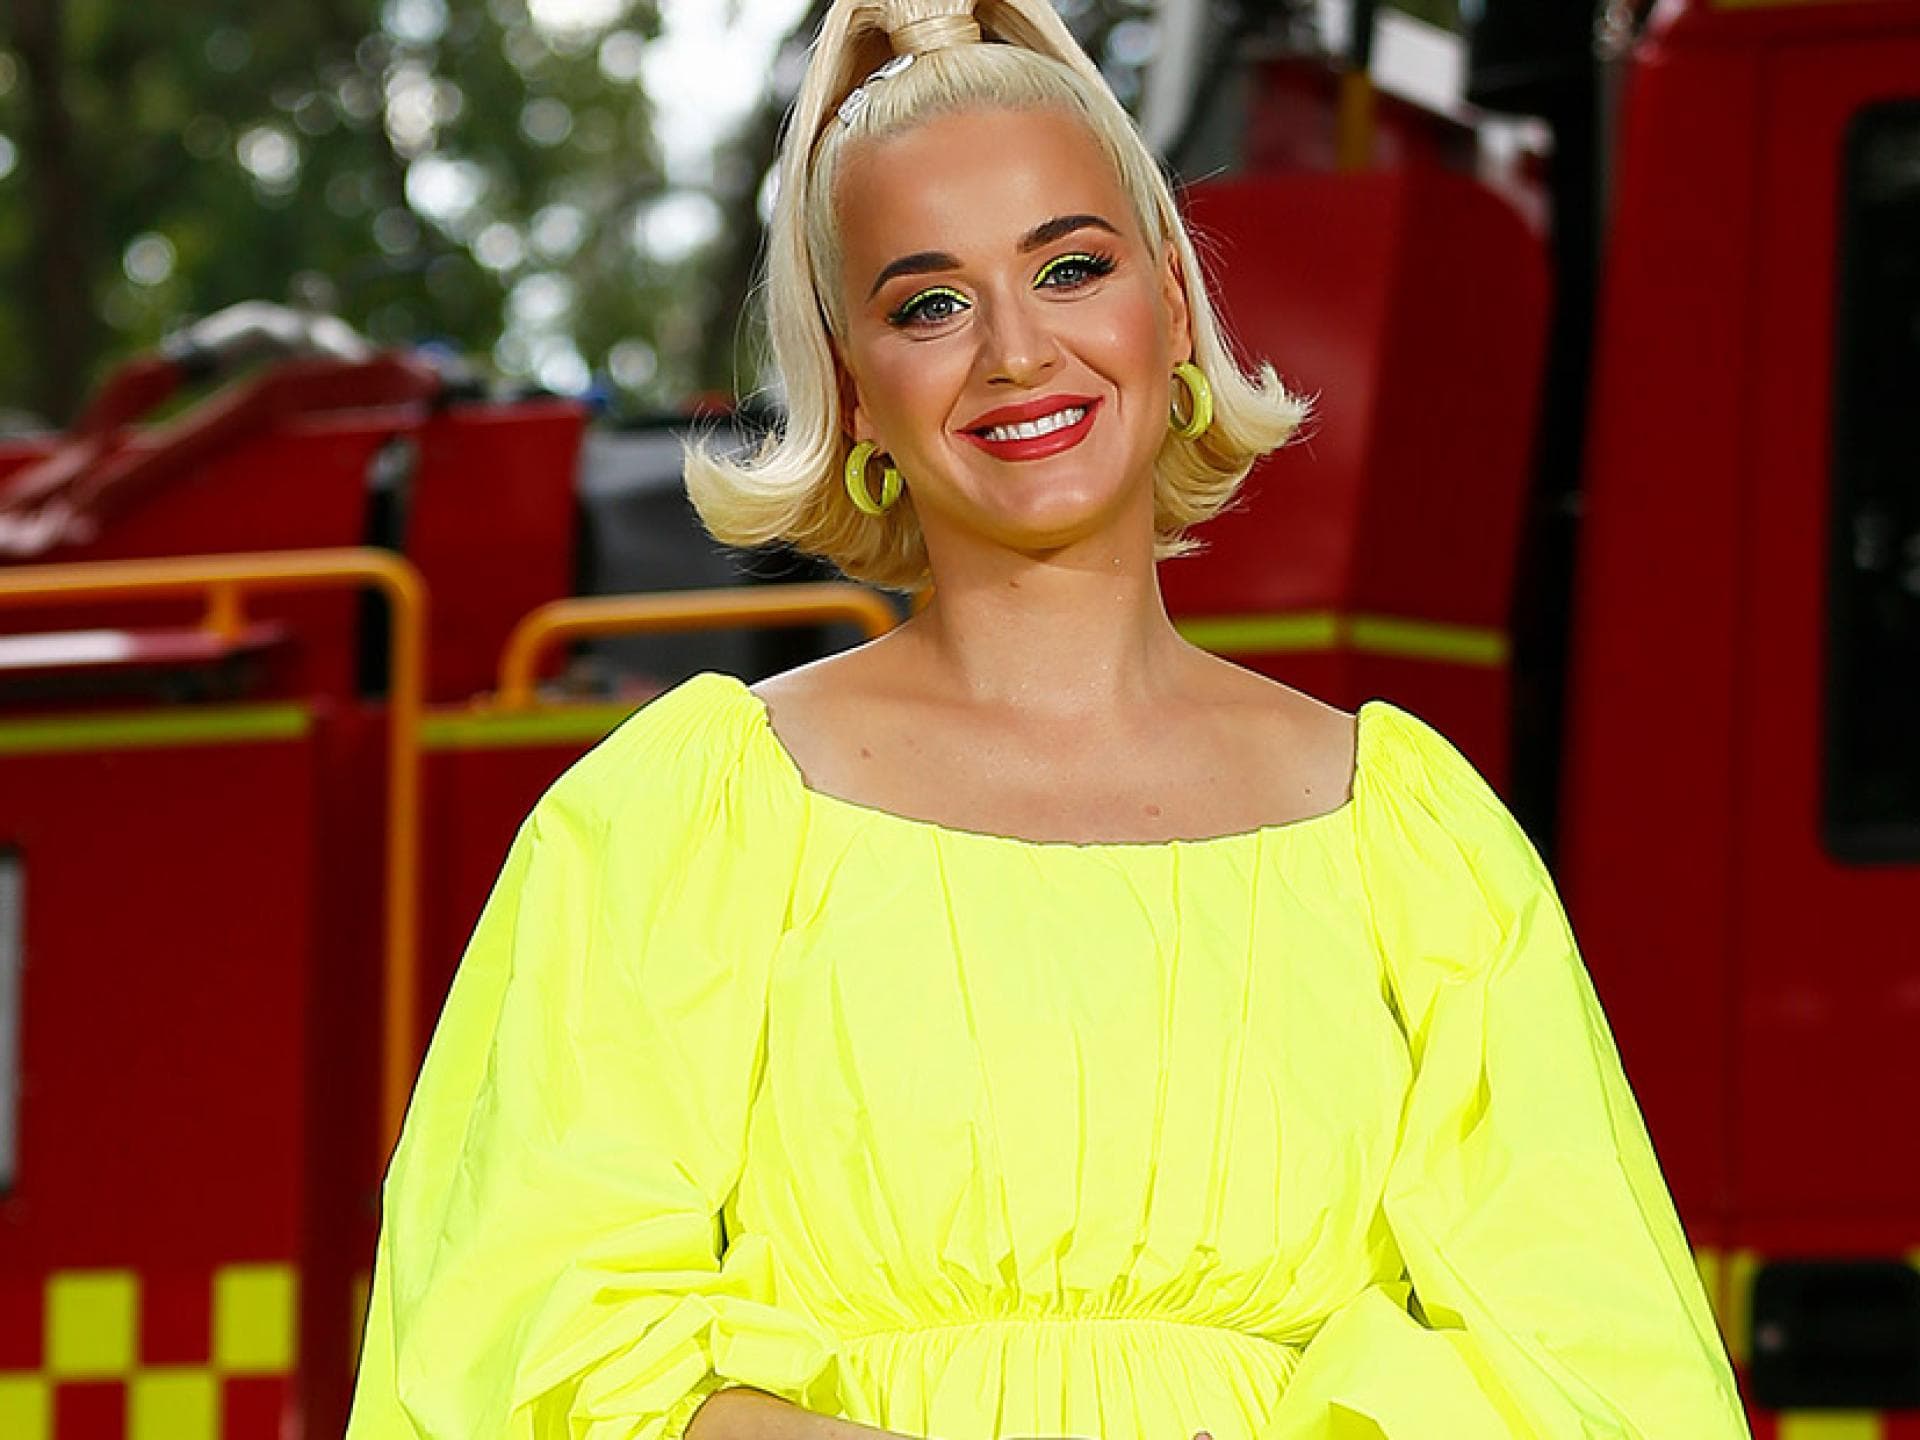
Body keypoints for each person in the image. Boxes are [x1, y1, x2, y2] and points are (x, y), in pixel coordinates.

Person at [344, 1, 1751, 1436]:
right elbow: (525, 1342)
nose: (1016, 351)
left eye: (1071, 268)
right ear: (853, 384)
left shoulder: (1405, 836)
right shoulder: (683, 820)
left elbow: (1595, 1375)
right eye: (930, 304)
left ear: (1175, 308)